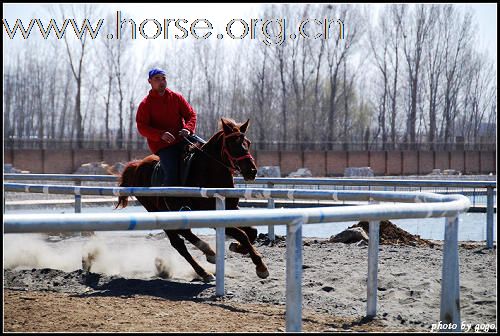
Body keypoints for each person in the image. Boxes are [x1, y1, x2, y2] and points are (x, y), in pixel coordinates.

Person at [136, 68, 197, 186]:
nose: (161, 81)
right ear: (149, 81)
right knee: (172, 172)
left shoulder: (176, 97)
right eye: (157, 79)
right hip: (163, 146)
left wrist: (188, 129)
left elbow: (191, 115)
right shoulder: (145, 104)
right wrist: (161, 135)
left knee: (206, 154)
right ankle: (171, 201)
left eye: (163, 78)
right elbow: (142, 127)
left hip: (184, 140)